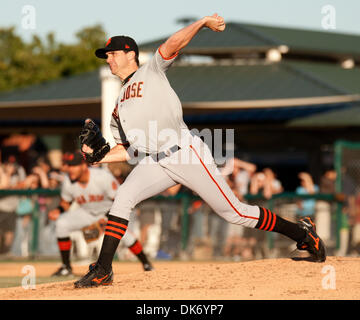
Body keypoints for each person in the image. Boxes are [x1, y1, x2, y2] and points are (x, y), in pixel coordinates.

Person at [75, 13, 326, 288]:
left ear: (129, 54)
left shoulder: (151, 70)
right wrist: (97, 157)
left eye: (111, 53)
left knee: (235, 213)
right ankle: (103, 269)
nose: (108, 58)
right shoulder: (118, 104)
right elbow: (128, 149)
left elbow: (172, 44)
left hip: (185, 152)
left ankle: (302, 233)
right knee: (122, 198)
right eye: (106, 55)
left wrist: (203, 22)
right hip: (154, 161)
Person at [48, 151, 153, 277]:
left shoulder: (102, 177)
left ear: (83, 165)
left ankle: (146, 264)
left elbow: (120, 200)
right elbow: (66, 202)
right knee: (62, 223)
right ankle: (66, 267)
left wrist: (105, 218)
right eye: (68, 165)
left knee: (125, 236)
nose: (70, 169)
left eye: (73, 165)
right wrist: (58, 210)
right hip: (86, 212)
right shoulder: (68, 181)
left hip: (108, 212)